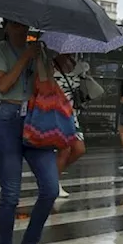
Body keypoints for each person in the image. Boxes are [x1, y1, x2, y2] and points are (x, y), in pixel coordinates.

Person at [0, 20, 60, 244]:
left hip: (36, 120)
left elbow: (48, 86)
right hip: (8, 118)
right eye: (16, 25)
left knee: (51, 188)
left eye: (24, 25)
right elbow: (3, 85)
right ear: (6, 27)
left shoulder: (38, 50)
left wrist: (43, 59)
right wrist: (25, 58)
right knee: (10, 193)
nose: (22, 29)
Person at [51, 52, 87, 199]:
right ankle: (53, 184)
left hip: (72, 114)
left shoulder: (76, 64)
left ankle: (50, 177)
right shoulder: (49, 65)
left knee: (79, 149)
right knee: (64, 150)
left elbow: (81, 87)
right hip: (55, 113)